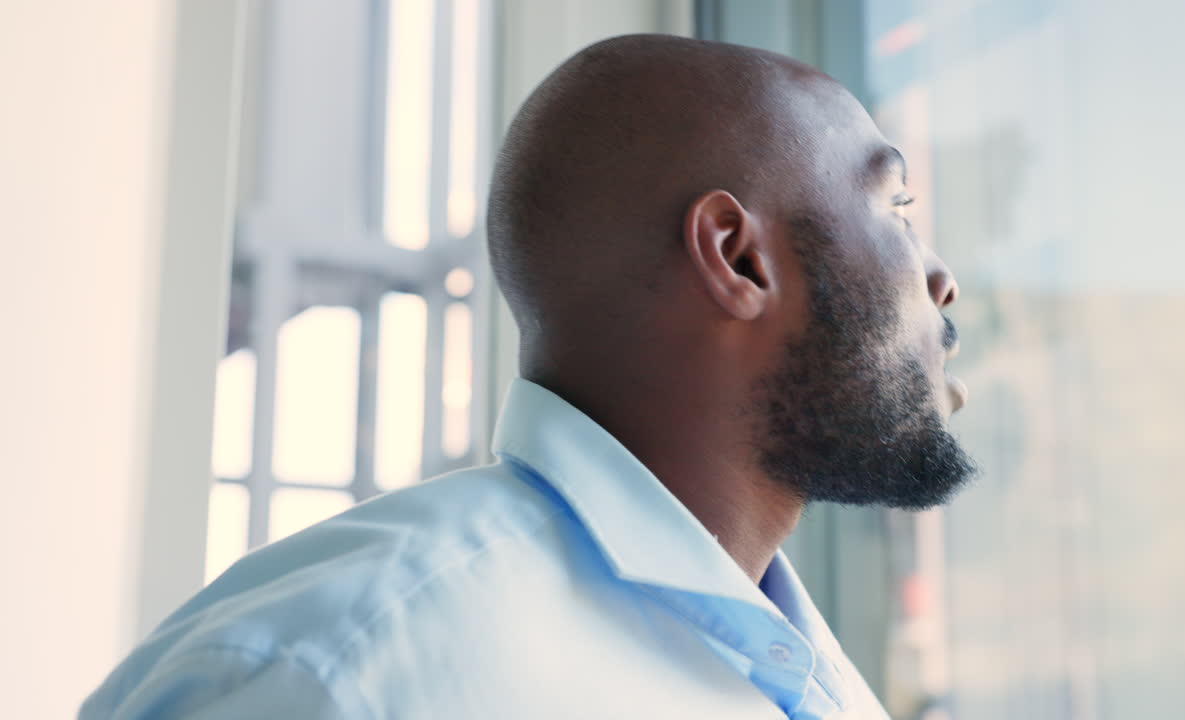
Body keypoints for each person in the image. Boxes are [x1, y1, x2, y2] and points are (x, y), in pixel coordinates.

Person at [81, 34, 975, 719]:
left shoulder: (806, 674)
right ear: (738, 259)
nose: (942, 279)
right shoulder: (347, 668)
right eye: (896, 206)